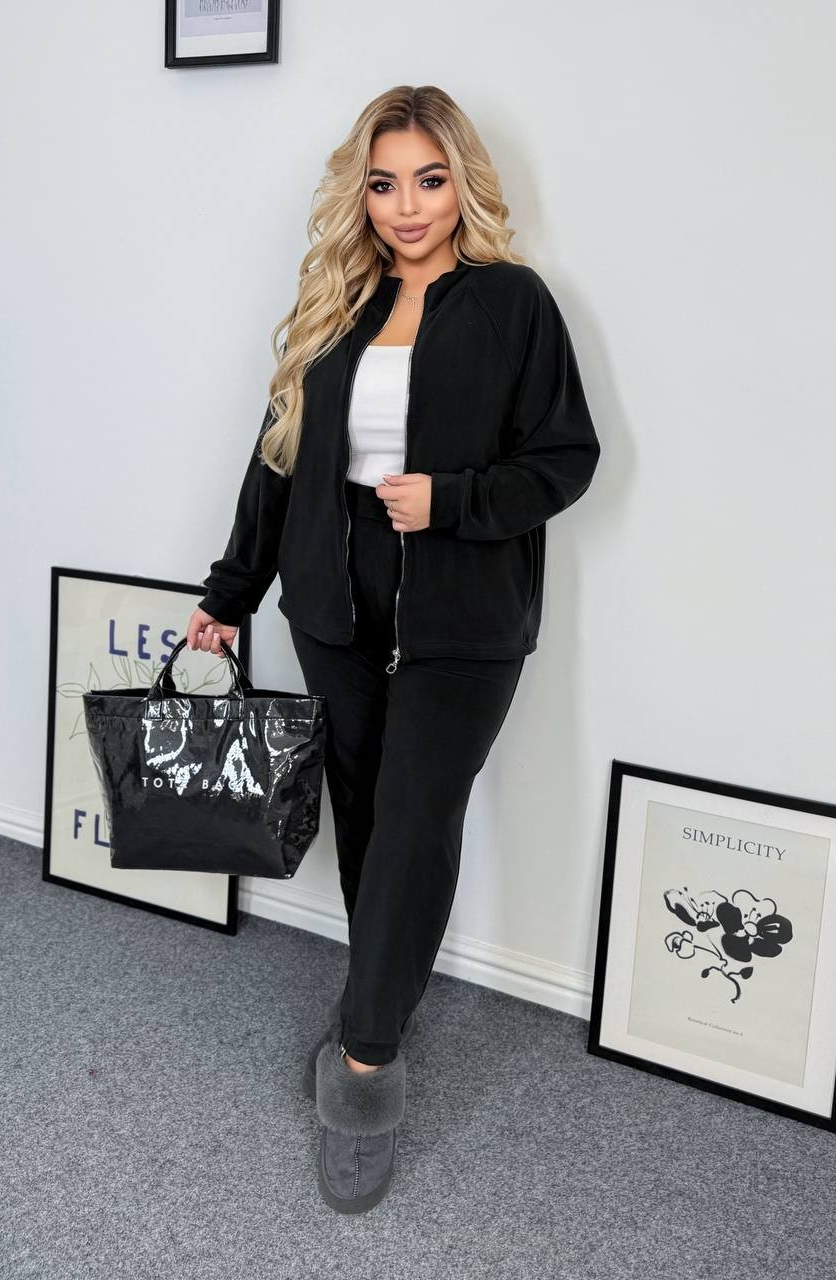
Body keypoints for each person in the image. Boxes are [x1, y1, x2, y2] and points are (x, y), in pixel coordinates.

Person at [184, 84, 601, 1215]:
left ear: (463, 181)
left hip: (464, 613)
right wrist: (229, 593)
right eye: (383, 183)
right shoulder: (338, 302)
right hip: (335, 605)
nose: (407, 206)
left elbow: (566, 458)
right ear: (358, 193)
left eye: (428, 179)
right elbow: (276, 460)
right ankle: (381, 995)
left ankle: (363, 1065)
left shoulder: (513, 303)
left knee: (417, 814)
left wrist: (452, 500)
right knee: (368, 817)